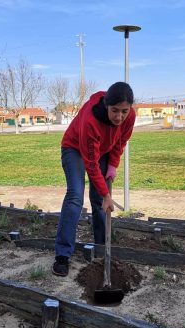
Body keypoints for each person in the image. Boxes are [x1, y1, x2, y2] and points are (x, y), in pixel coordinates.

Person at [52, 81, 136, 276]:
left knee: (98, 201)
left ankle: (101, 248)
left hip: (103, 150)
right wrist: (107, 194)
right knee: (75, 196)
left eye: (124, 111)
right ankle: (62, 255)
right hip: (74, 149)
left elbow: (121, 140)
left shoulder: (129, 116)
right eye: (115, 110)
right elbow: (91, 164)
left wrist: (113, 164)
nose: (119, 116)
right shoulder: (91, 119)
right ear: (106, 105)